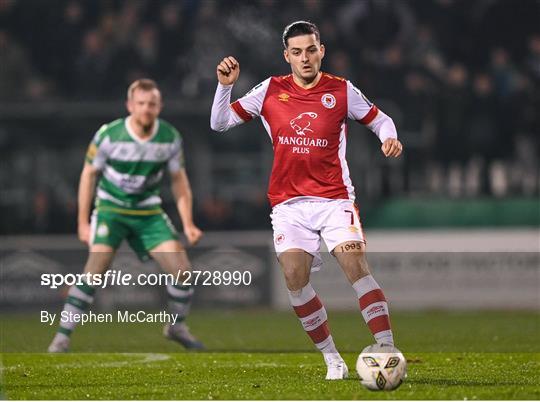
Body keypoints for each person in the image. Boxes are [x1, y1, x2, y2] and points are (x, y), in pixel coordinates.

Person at [210, 21, 403, 380]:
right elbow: (219, 123)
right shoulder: (270, 90)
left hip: (334, 199)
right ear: (287, 56)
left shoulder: (341, 90)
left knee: (355, 267)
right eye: (297, 52)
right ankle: (332, 358)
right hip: (289, 205)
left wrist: (387, 138)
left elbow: (381, 120)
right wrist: (225, 87)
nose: (305, 58)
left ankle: (387, 348)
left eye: (311, 50)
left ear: (321, 50)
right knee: (294, 280)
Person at [48, 79, 204, 352]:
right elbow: (89, 175)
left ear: (160, 106)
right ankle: (62, 337)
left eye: (152, 104)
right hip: (111, 210)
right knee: (94, 271)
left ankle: (176, 327)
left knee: (182, 271)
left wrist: (188, 223)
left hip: (147, 212)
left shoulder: (169, 137)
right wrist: (82, 222)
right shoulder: (109, 134)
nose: (146, 109)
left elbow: (179, 181)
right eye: (141, 104)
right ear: (130, 105)